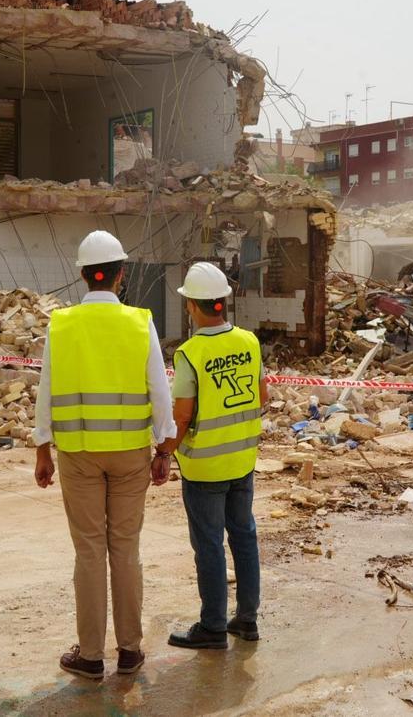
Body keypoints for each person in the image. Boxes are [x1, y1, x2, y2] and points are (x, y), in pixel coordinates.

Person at [33, 230, 176, 679]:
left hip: (78, 454)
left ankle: (91, 656)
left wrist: (42, 447)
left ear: (81, 275)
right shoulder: (139, 321)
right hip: (131, 453)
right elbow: (159, 387)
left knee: (90, 551)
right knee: (125, 549)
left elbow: (46, 389)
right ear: (121, 275)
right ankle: (130, 650)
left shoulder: (62, 323)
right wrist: (164, 446)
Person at [157, 262, 264, 650]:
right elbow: (262, 397)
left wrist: (165, 451)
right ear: (222, 302)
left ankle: (214, 626)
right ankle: (247, 619)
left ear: (192, 307)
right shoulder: (249, 342)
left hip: (204, 465)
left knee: (209, 546)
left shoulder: (190, 353)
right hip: (243, 460)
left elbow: (182, 415)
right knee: (244, 537)